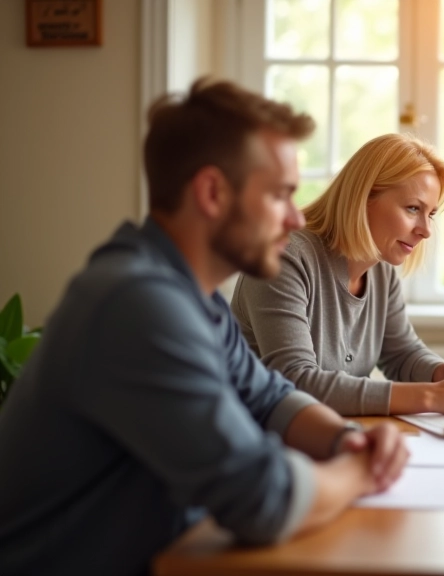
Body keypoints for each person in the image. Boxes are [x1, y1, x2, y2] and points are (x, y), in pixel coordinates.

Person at [0, 78, 408, 576]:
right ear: (212, 192)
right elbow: (262, 500)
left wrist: (346, 438)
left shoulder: (193, 298)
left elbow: (271, 397)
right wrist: (361, 472)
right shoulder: (137, 304)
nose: (295, 219)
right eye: (280, 195)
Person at [231, 133, 444, 416]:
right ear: (364, 197)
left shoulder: (380, 269)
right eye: (412, 208)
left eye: (430, 214)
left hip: (328, 436)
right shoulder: (285, 257)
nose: (425, 230)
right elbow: (296, 381)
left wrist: (441, 373)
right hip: (256, 442)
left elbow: (401, 353)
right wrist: (433, 396)